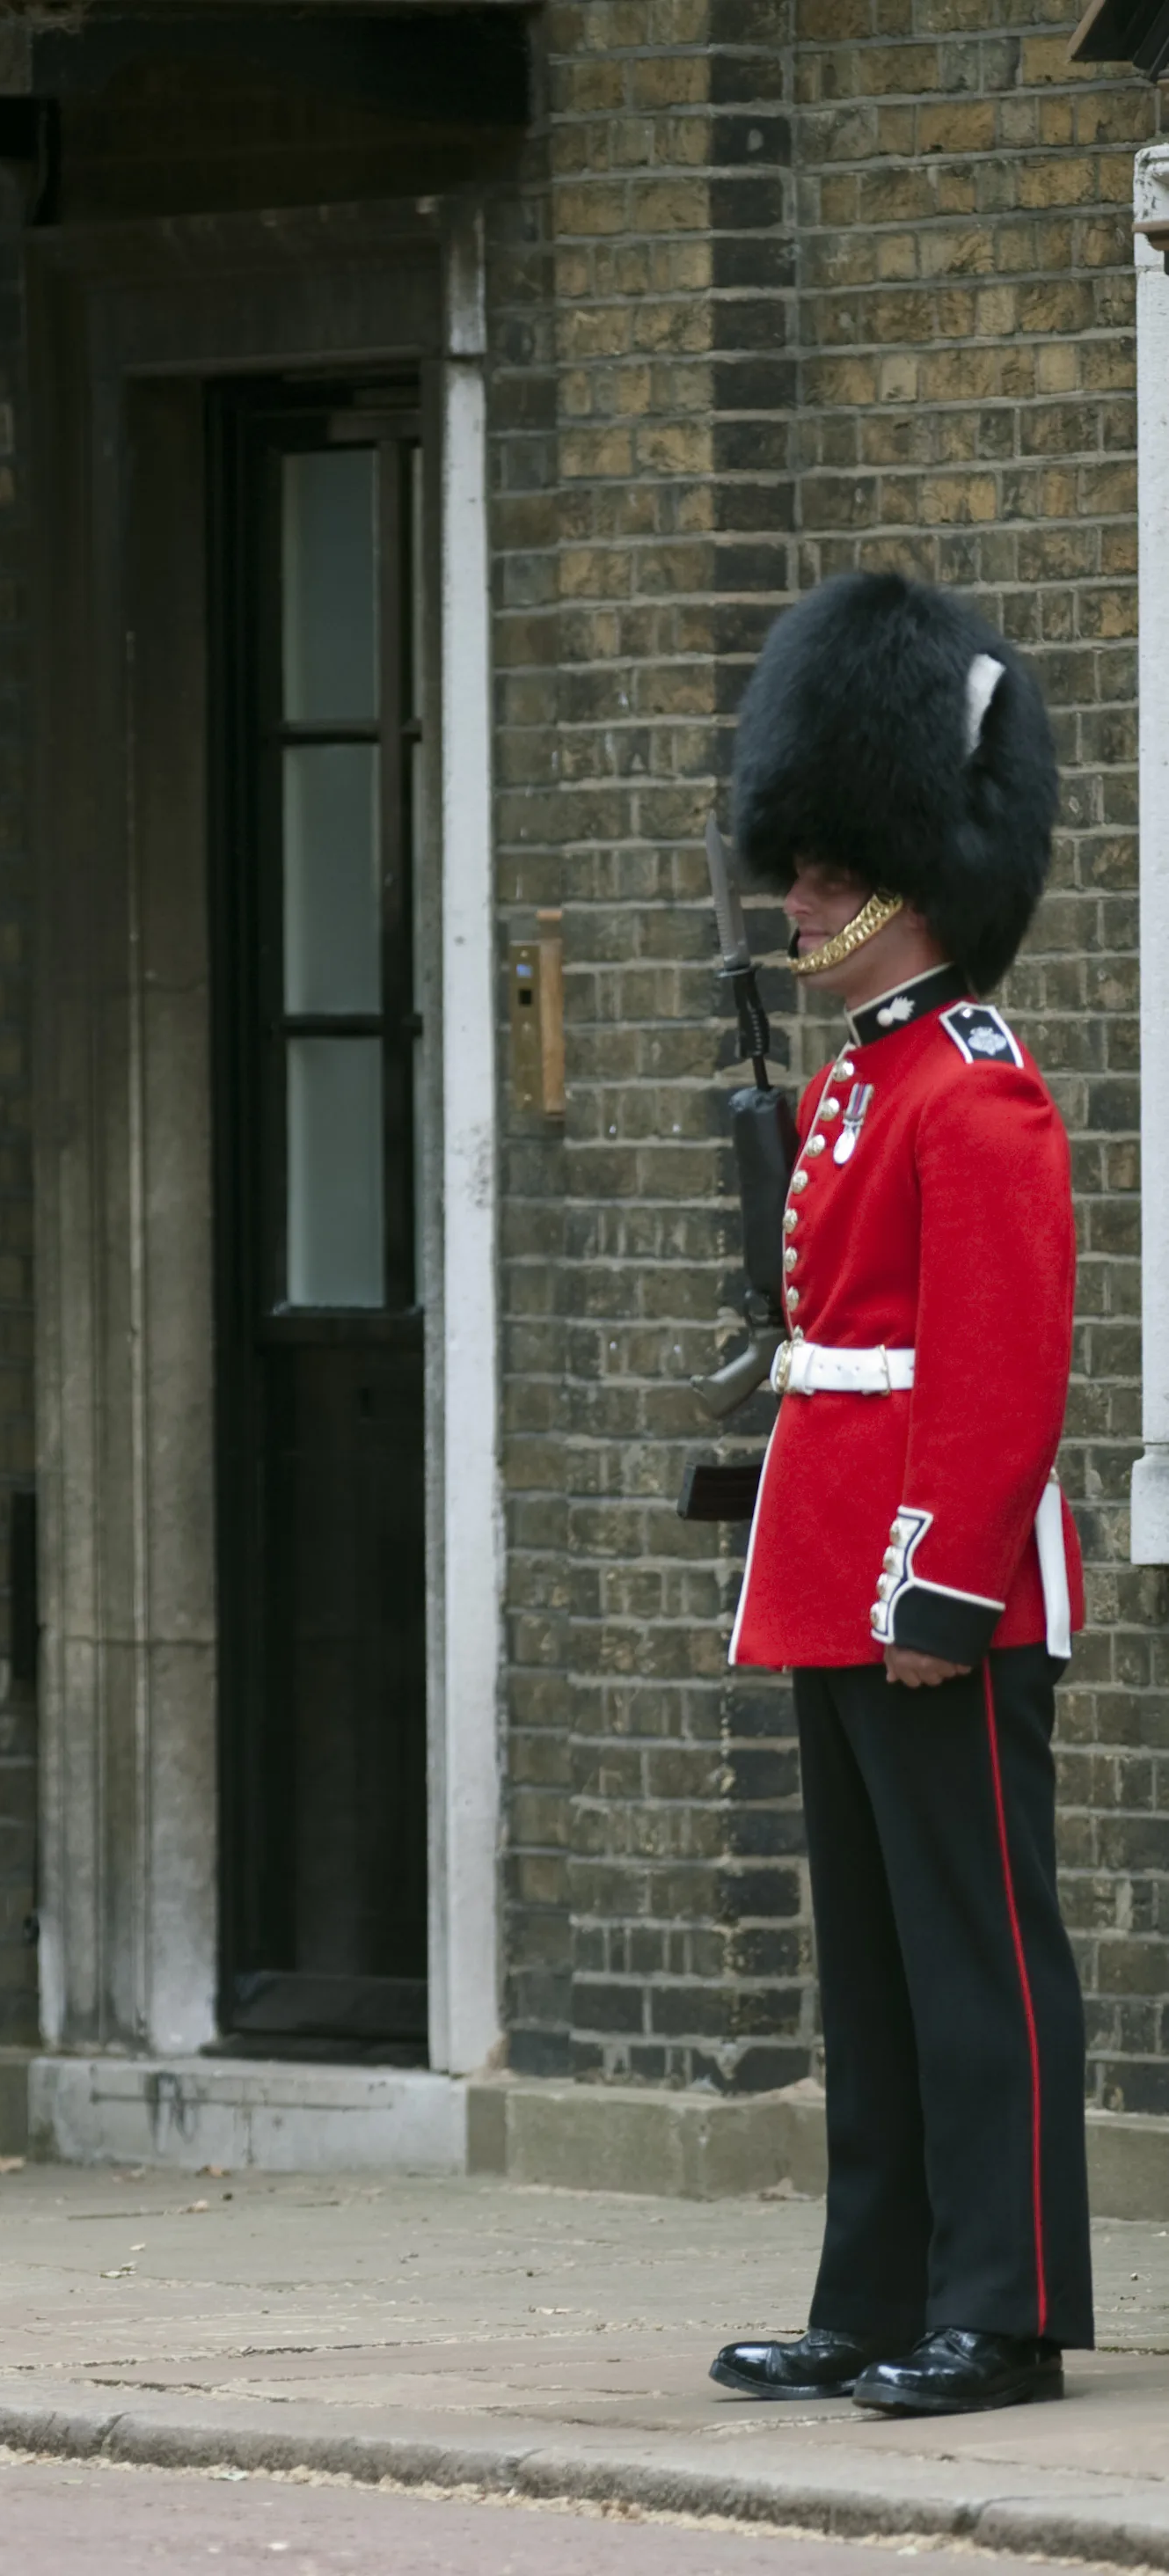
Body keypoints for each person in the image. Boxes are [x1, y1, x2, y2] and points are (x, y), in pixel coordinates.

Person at [709, 570, 1092, 2416]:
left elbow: (1001, 1364)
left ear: (900, 867)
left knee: (976, 1962)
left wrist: (936, 1592)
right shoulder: (866, 1084)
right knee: (866, 1972)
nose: (789, 897)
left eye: (815, 868)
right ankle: (871, 2294)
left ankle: (1003, 2308)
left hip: (941, 1583)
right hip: (836, 1561)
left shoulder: (975, 1089)